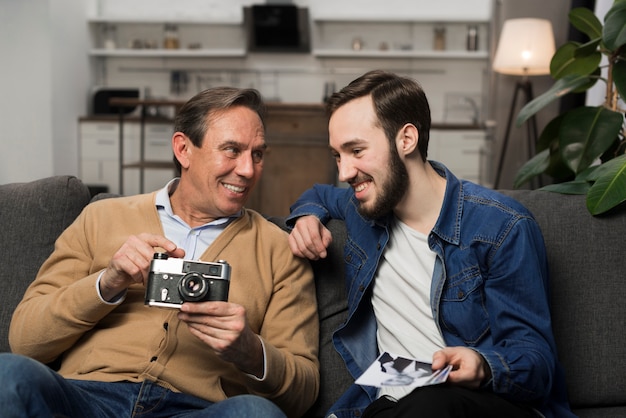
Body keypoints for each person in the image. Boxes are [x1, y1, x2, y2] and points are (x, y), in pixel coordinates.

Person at [1, 87, 319, 418]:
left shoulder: (280, 250)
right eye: (231, 150)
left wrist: (252, 352)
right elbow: (24, 341)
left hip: (197, 409)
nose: (248, 170)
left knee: (256, 414)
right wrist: (105, 285)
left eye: (257, 154)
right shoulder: (101, 217)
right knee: (8, 375)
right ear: (184, 149)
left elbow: (304, 390)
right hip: (88, 398)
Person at [286, 70, 574, 418]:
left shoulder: (502, 226)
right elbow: (317, 194)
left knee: (433, 402)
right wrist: (306, 217)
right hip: (393, 402)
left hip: (480, 403)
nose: (345, 172)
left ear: (406, 139)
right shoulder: (364, 205)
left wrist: (483, 364)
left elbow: (536, 362)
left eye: (356, 150)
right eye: (337, 155)